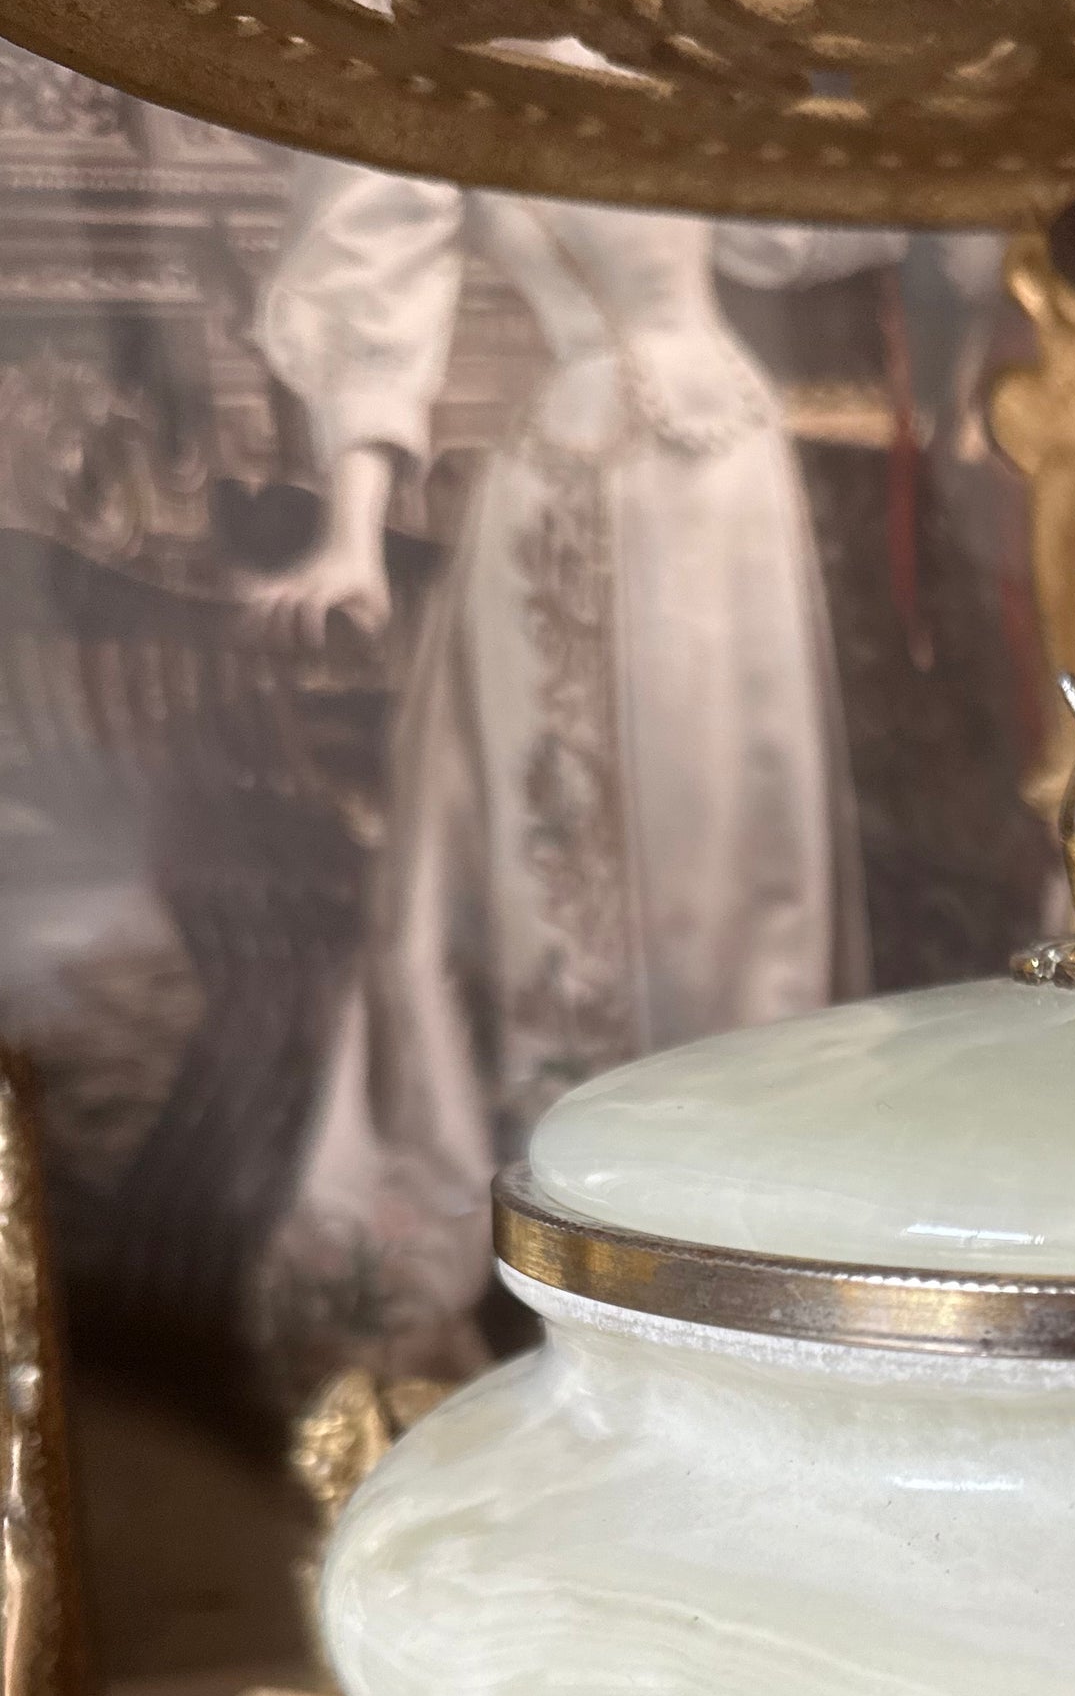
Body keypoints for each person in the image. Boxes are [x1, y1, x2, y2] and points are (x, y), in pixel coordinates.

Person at [248, 156, 889, 1387]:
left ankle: (757, 1227)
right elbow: (373, 273)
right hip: (583, 496)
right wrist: (351, 534)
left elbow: (801, 222)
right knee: (570, 866)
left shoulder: (683, 20)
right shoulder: (464, 49)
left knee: (746, 845)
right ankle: (609, 1240)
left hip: (735, 482)